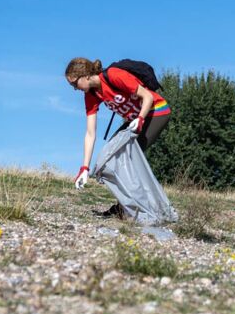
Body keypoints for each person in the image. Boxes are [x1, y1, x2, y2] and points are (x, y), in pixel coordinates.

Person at [65, 58, 171, 214]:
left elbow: (148, 97)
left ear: (86, 75)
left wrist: (140, 119)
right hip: (135, 120)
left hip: (156, 113)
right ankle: (125, 206)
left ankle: (139, 207)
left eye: (75, 84)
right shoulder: (91, 95)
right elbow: (90, 133)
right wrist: (85, 168)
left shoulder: (114, 75)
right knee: (109, 156)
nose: (75, 89)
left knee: (127, 158)